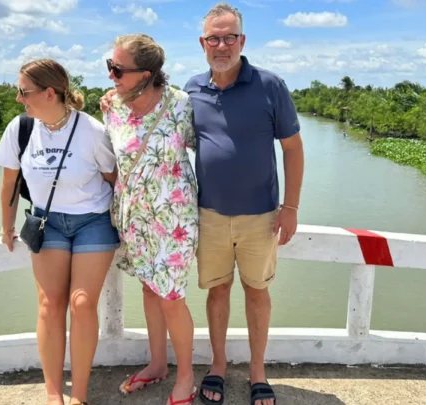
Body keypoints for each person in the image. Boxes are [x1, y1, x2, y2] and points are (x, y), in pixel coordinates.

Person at [187, 4, 304, 405]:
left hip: (261, 216)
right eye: (214, 38)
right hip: (210, 214)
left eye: (230, 37)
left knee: (257, 292)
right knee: (217, 291)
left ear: (243, 41)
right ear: (203, 43)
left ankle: (257, 371)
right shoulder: (191, 90)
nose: (222, 45)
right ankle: (217, 365)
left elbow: (293, 148)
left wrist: (291, 208)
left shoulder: (270, 85)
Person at [0, 58, 120, 405]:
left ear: (50, 93)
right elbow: (9, 184)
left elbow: (114, 180)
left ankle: (78, 394)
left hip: (92, 220)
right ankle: (54, 394)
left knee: (82, 304)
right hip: (46, 221)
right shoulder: (20, 129)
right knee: (50, 305)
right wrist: (7, 228)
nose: (20, 98)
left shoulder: (91, 131)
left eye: (25, 92)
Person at [103, 34, 198, 405]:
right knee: (149, 289)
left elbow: (211, 148)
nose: (112, 76)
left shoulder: (181, 105)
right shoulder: (111, 106)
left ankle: (186, 377)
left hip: (173, 219)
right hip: (135, 220)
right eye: (109, 67)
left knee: (172, 297)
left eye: (118, 70)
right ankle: (157, 363)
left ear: (146, 74)